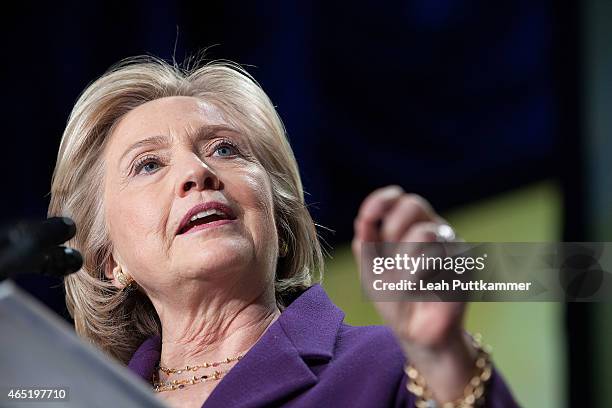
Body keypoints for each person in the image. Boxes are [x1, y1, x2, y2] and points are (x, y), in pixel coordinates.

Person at [48, 56, 518, 408]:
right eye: (149, 164)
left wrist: (444, 359)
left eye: (225, 149)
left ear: (278, 214)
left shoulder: (389, 368)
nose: (197, 172)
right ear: (110, 260)